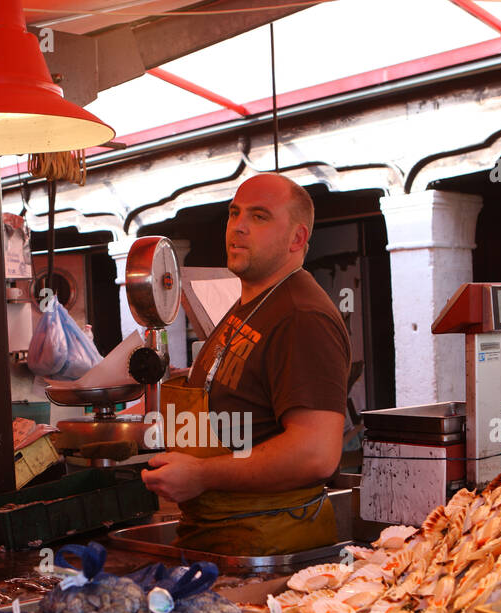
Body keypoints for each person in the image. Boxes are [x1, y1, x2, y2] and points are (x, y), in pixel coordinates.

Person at [142, 174, 351, 555]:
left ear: (297, 239)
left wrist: (201, 475)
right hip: (224, 538)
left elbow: (316, 452)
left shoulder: (301, 315)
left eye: (259, 217)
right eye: (234, 213)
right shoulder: (254, 304)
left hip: (270, 545)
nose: (238, 227)